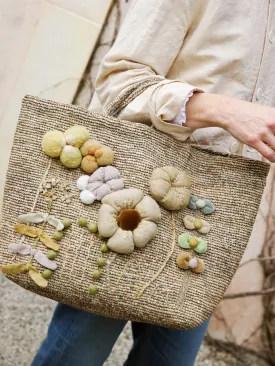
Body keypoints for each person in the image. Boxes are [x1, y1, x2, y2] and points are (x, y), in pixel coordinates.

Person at [32, 0, 275, 365]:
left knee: (169, 361)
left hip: (216, 216)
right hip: (132, 194)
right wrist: (223, 110)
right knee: (78, 353)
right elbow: (119, 82)